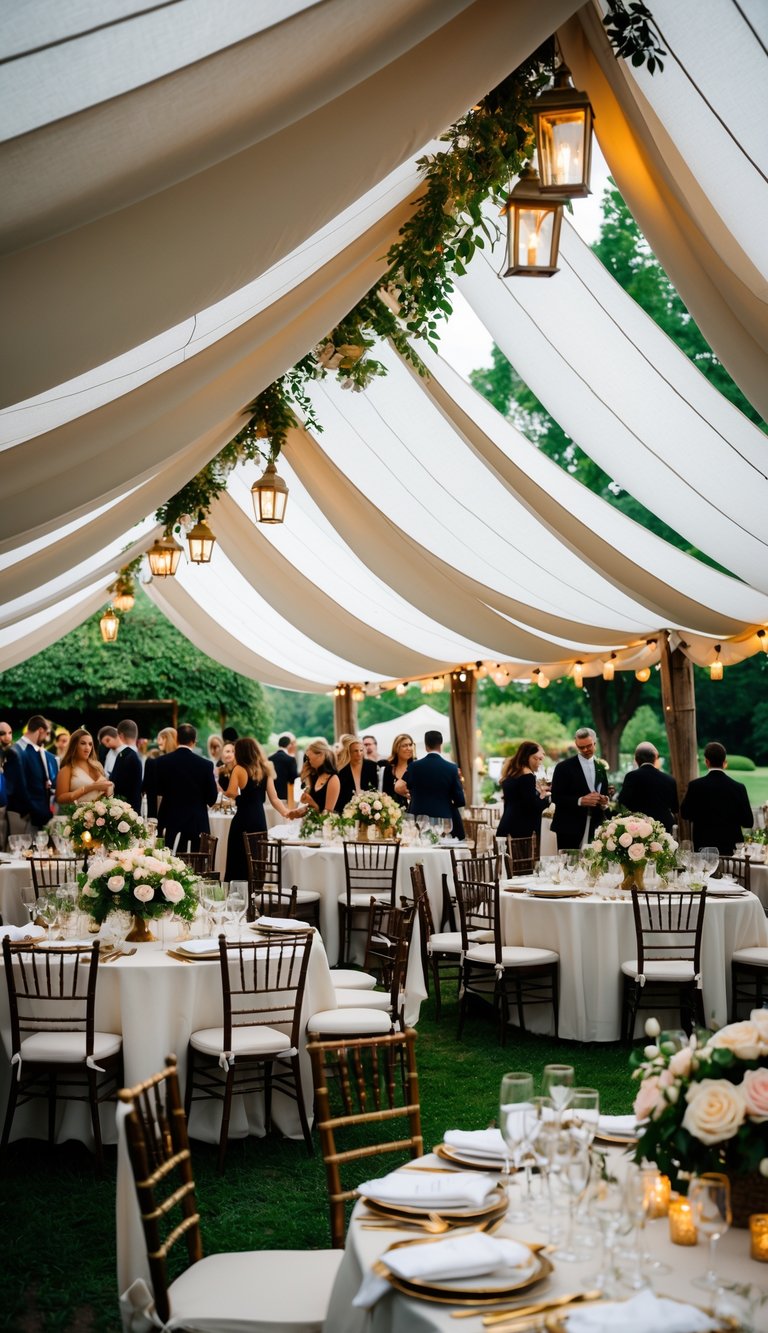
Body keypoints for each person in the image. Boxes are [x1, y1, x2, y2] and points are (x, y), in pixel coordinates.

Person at [223, 737, 291, 881]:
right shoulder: (265, 769)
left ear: (241, 752)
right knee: (256, 855)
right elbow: (274, 798)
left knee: (239, 857)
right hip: (259, 818)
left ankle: (238, 892)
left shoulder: (239, 769)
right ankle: (256, 888)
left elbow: (231, 793)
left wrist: (223, 792)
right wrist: (286, 812)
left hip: (242, 818)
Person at [152, 722, 219, 854]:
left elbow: (158, 790)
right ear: (194, 741)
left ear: (177, 740)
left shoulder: (161, 762)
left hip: (169, 821)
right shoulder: (205, 765)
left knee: (167, 862)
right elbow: (212, 798)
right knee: (195, 866)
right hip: (196, 822)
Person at [680, 741, 754, 854]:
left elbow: (685, 814)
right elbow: (748, 822)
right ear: (724, 762)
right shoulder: (738, 788)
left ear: (707, 762)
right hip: (731, 850)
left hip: (704, 848)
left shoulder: (695, 786)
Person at [550, 727, 610, 851]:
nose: (585, 750)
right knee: (569, 866)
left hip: (595, 825)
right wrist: (580, 800)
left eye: (588, 746)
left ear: (595, 743)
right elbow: (555, 797)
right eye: (580, 747)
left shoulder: (601, 767)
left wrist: (604, 801)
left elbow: (603, 793)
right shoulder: (563, 767)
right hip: (569, 826)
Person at [402, 730, 465, 838]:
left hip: (418, 820)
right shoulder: (451, 768)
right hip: (444, 821)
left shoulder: (413, 767)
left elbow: (407, 787)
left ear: (426, 745)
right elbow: (460, 801)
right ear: (441, 744)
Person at [5, 715, 56, 835]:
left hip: (37, 816)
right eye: (47, 734)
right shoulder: (16, 751)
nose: (47, 739)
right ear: (40, 730)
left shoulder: (34, 750)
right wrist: (35, 811)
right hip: (25, 816)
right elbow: (17, 788)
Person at [496, 740, 551, 843]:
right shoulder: (527, 776)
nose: (539, 762)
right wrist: (544, 798)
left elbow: (520, 800)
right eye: (537, 758)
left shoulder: (512, 772)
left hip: (506, 824)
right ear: (528, 757)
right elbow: (532, 807)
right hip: (521, 829)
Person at [618, 742, 678, 833]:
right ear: (655, 758)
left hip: (638, 829)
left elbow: (622, 802)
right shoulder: (669, 779)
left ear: (636, 759)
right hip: (663, 828)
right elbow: (675, 808)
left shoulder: (631, 776)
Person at [55, 728, 113, 805]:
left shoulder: (97, 766)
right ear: (74, 745)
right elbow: (60, 798)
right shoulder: (67, 769)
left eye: (90, 744)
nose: (87, 748)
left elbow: (105, 795)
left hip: (100, 814)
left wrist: (108, 790)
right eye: (83, 743)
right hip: (76, 814)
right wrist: (91, 787)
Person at [334, 734, 379, 813]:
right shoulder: (342, 769)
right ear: (349, 752)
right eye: (355, 751)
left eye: (361, 750)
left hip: (370, 807)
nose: (359, 753)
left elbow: (376, 788)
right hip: (347, 809)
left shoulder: (371, 766)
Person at [296, 739, 340, 815]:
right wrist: (297, 812)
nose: (308, 761)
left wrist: (311, 802)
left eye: (309, 758)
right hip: (312, 823)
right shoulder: (312, 776)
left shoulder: (333, 779)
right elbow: (310, 809)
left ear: (320, 755)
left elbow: (327, 814)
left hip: (326, 825)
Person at [109, 719, 143, 813]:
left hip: (123, 810)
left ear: (120, 735)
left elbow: (114, 783)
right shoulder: (143, 756)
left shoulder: (123, 755)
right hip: (138, 807)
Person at [143, 727, 178, 817]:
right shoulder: (155, 759)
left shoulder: (158, 761)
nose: (158, 741)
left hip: (167, 805)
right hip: (158, 802)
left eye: (161, 738)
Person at [381, 733, 415, 807]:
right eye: (404, 746)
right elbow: (385, 794)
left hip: (414, 813)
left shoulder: (416, 767)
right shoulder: (389, 769)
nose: (409, 748)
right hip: (393, 813)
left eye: (410, 745)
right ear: (396, 748)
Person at [269, 733, 299, 809]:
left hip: (270, 794)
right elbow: (293, 777)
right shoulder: (290, 759)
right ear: (289, 745)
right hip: (285, 794)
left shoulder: (270, 758)